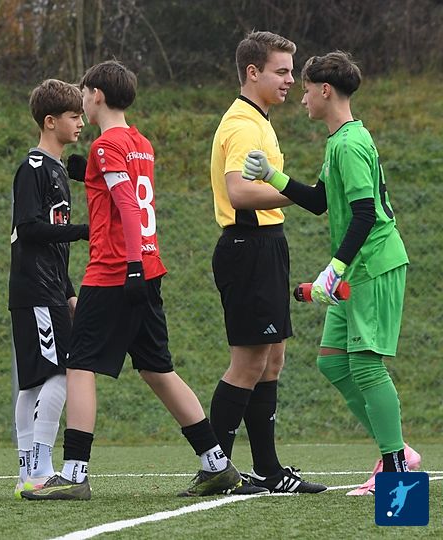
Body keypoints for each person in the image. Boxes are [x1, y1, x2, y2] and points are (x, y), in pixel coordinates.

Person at [23, 61, 242, 501]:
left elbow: (125, 203)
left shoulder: (107, 144)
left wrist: (132, 265)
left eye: (85, 93)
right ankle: (216, 463)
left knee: (79, 365)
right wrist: (89, 172)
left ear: (98, 95)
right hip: (147, 269)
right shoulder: (140, 143)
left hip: (115, 270)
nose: (82, 102)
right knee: (158, 369)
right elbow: (124, 189)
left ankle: (74, 473)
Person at [242, 50, 419, 494]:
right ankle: (397, 450)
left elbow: (365, 214)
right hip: (354, 268)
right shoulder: (339, 140)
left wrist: (334, 269)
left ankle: (398, 473)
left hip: (373, 264)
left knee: (366, 366)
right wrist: (272, 176)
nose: (301, 98)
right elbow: (321, 201)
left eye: (305, 90)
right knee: (334, 363)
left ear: (325, 90)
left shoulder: (350, 143)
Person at [207, 31, 325, 494]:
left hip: (267, 244)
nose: (291, 80)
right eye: (282, 71)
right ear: (252, 72)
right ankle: (215, 468)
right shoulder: (242, 124)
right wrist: (299, 193)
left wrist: (289, 191)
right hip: (247, 247)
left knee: (272, 359)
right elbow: (239, 191)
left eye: (291, 71)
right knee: (248, 362)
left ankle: (269, 471)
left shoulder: (260, 119)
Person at [8, 79, 88, 497]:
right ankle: (39, 466)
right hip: (36, 290)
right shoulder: (34, 168)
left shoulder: (57, 169)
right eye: (74, 116)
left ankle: (28, 471)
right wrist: (83, 231)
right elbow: (29, 228)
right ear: (50, 121)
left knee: (35, 381)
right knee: (63, 371)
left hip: (51, 289)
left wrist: (69, 290)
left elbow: (52, 240)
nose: (81, 123)